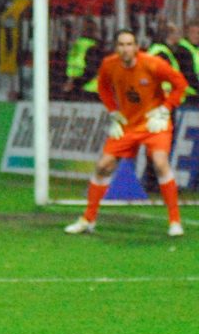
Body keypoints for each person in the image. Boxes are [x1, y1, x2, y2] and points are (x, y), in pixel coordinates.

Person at [64, 28, 188, 238]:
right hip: (128, 124)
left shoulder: (152, 63)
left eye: (129, 44)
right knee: (103, 166)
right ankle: (88, 219)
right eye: (121, 45)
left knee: (160, 163)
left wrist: (165, 108)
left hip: (153, 123)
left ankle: (175, 221)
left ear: (136, 47)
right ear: (116, 48)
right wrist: (113, 112)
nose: (125, 49)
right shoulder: (109, 65)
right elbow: (103, 88)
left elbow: (180, 84)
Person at [60, 17, 101, 99]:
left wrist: (72, 83)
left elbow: (91, 70)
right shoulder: (82, 45)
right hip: (80, 88)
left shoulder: (89, 47)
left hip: (87, 89)